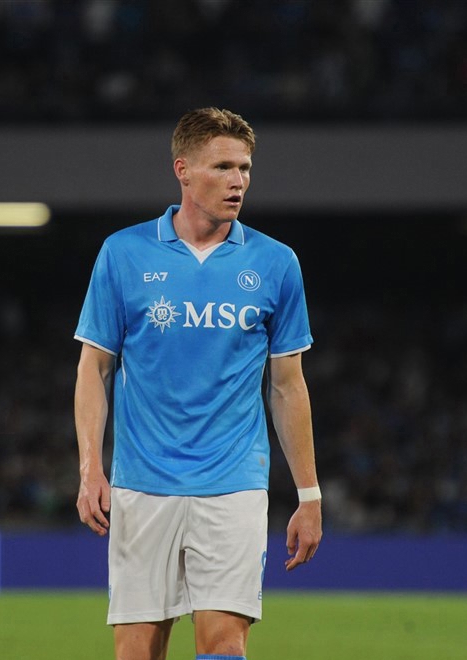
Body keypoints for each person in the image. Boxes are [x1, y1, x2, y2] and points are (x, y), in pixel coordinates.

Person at [73, 107, 322, 660]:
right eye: (223, 167)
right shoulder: (124, 253)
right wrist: (91, 468)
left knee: (224, 647)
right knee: (137, 653)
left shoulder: (276, 263)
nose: (239, 182)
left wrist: (309, 495)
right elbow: (95, 368)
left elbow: (287, 386)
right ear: (183, 170)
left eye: (245, 168)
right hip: (142, 485)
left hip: (234, 484)